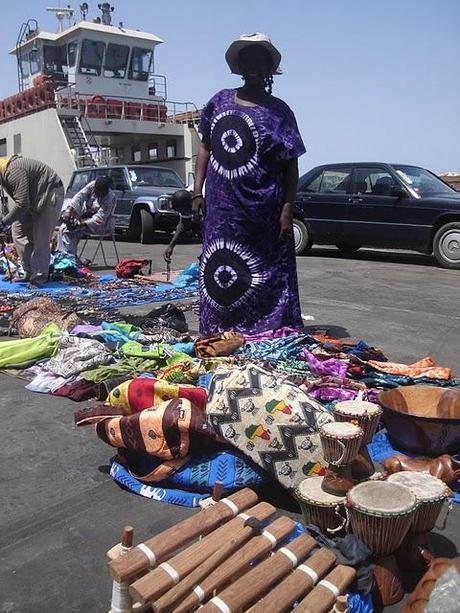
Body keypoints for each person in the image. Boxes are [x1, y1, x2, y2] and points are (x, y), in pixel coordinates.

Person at [192, 33, 306, 334]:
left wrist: (286, 209)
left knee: (266, 270)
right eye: (248, 59)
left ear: (269, 69)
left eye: (260, 60)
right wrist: (197, 191)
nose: (253, 65)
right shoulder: (218, 101)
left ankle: (264, 328)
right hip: (222, 210)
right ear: (240, 65)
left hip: (264, 211)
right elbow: (205, 147)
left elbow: (291, 165)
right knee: (222, 264)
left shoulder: (281, 112)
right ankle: (219, 328)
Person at [0, 155, 64, 285]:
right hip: (33, 200)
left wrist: (3, 222)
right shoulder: (4, 173)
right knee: (18, 230)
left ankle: (39, 277)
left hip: (49, 194)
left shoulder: (13, 171)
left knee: (41, 237)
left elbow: (22, 204)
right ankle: (29, 270)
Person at [57, 176, 116, 256]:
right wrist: (69, 211)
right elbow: (79, 196)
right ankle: (64, 255)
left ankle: (69, 257)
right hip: (86, 216)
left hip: (101, 224)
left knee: (71, 231)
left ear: (104, 192)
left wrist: (80, 223)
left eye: (98, 192)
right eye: (95, 191)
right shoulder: (92, 185)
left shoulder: (110, 198)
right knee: (64, 227)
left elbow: (99, 218)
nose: (95, 193)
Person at [163, 188, 194, 264]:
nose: (187, 213)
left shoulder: (207, 196)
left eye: (186, 211)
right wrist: (171, 246)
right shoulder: (185, 198)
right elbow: (183, 223)